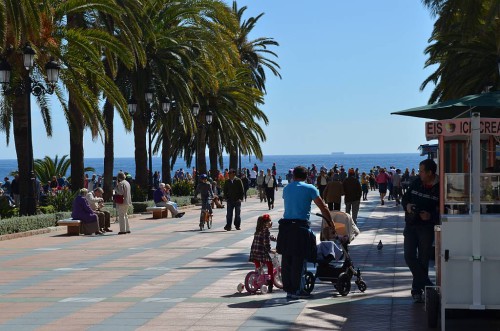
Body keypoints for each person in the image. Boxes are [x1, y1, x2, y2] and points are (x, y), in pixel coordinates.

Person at [277, 166, 334, 300]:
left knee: (286, 258)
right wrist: (330, 222)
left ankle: (288, 289)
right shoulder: (310, 188)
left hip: (285, 227)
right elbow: (323, 207)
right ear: (307, 176)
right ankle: (297, 289)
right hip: (300, 227)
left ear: (293, 176)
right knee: (299, 258)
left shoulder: (286, 188)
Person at [402, 159, 439, 303]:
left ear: (430, 173)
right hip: (411, 225)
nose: (420, 173)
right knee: (409, 256)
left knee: (423, 260)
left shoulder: (439, 187)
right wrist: (408, 206)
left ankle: (417, 291)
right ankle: (428, 286)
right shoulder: (416, 182)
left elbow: (444, 209)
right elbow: (405, 198)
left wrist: (430, 216)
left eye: (422, 171)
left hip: (426, 228)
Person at [249, 214, 276, 293]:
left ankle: (258, 277)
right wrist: (270, 250)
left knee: (258, 268)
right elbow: (266, 241)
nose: (271, 223)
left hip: (254, 251)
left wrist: (273, 238)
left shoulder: (258, 229)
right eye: (270, 221)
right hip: (262, 252)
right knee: (270, 265)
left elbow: (265, 236)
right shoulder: (266, 230)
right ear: (266, 223)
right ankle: (270, 283)